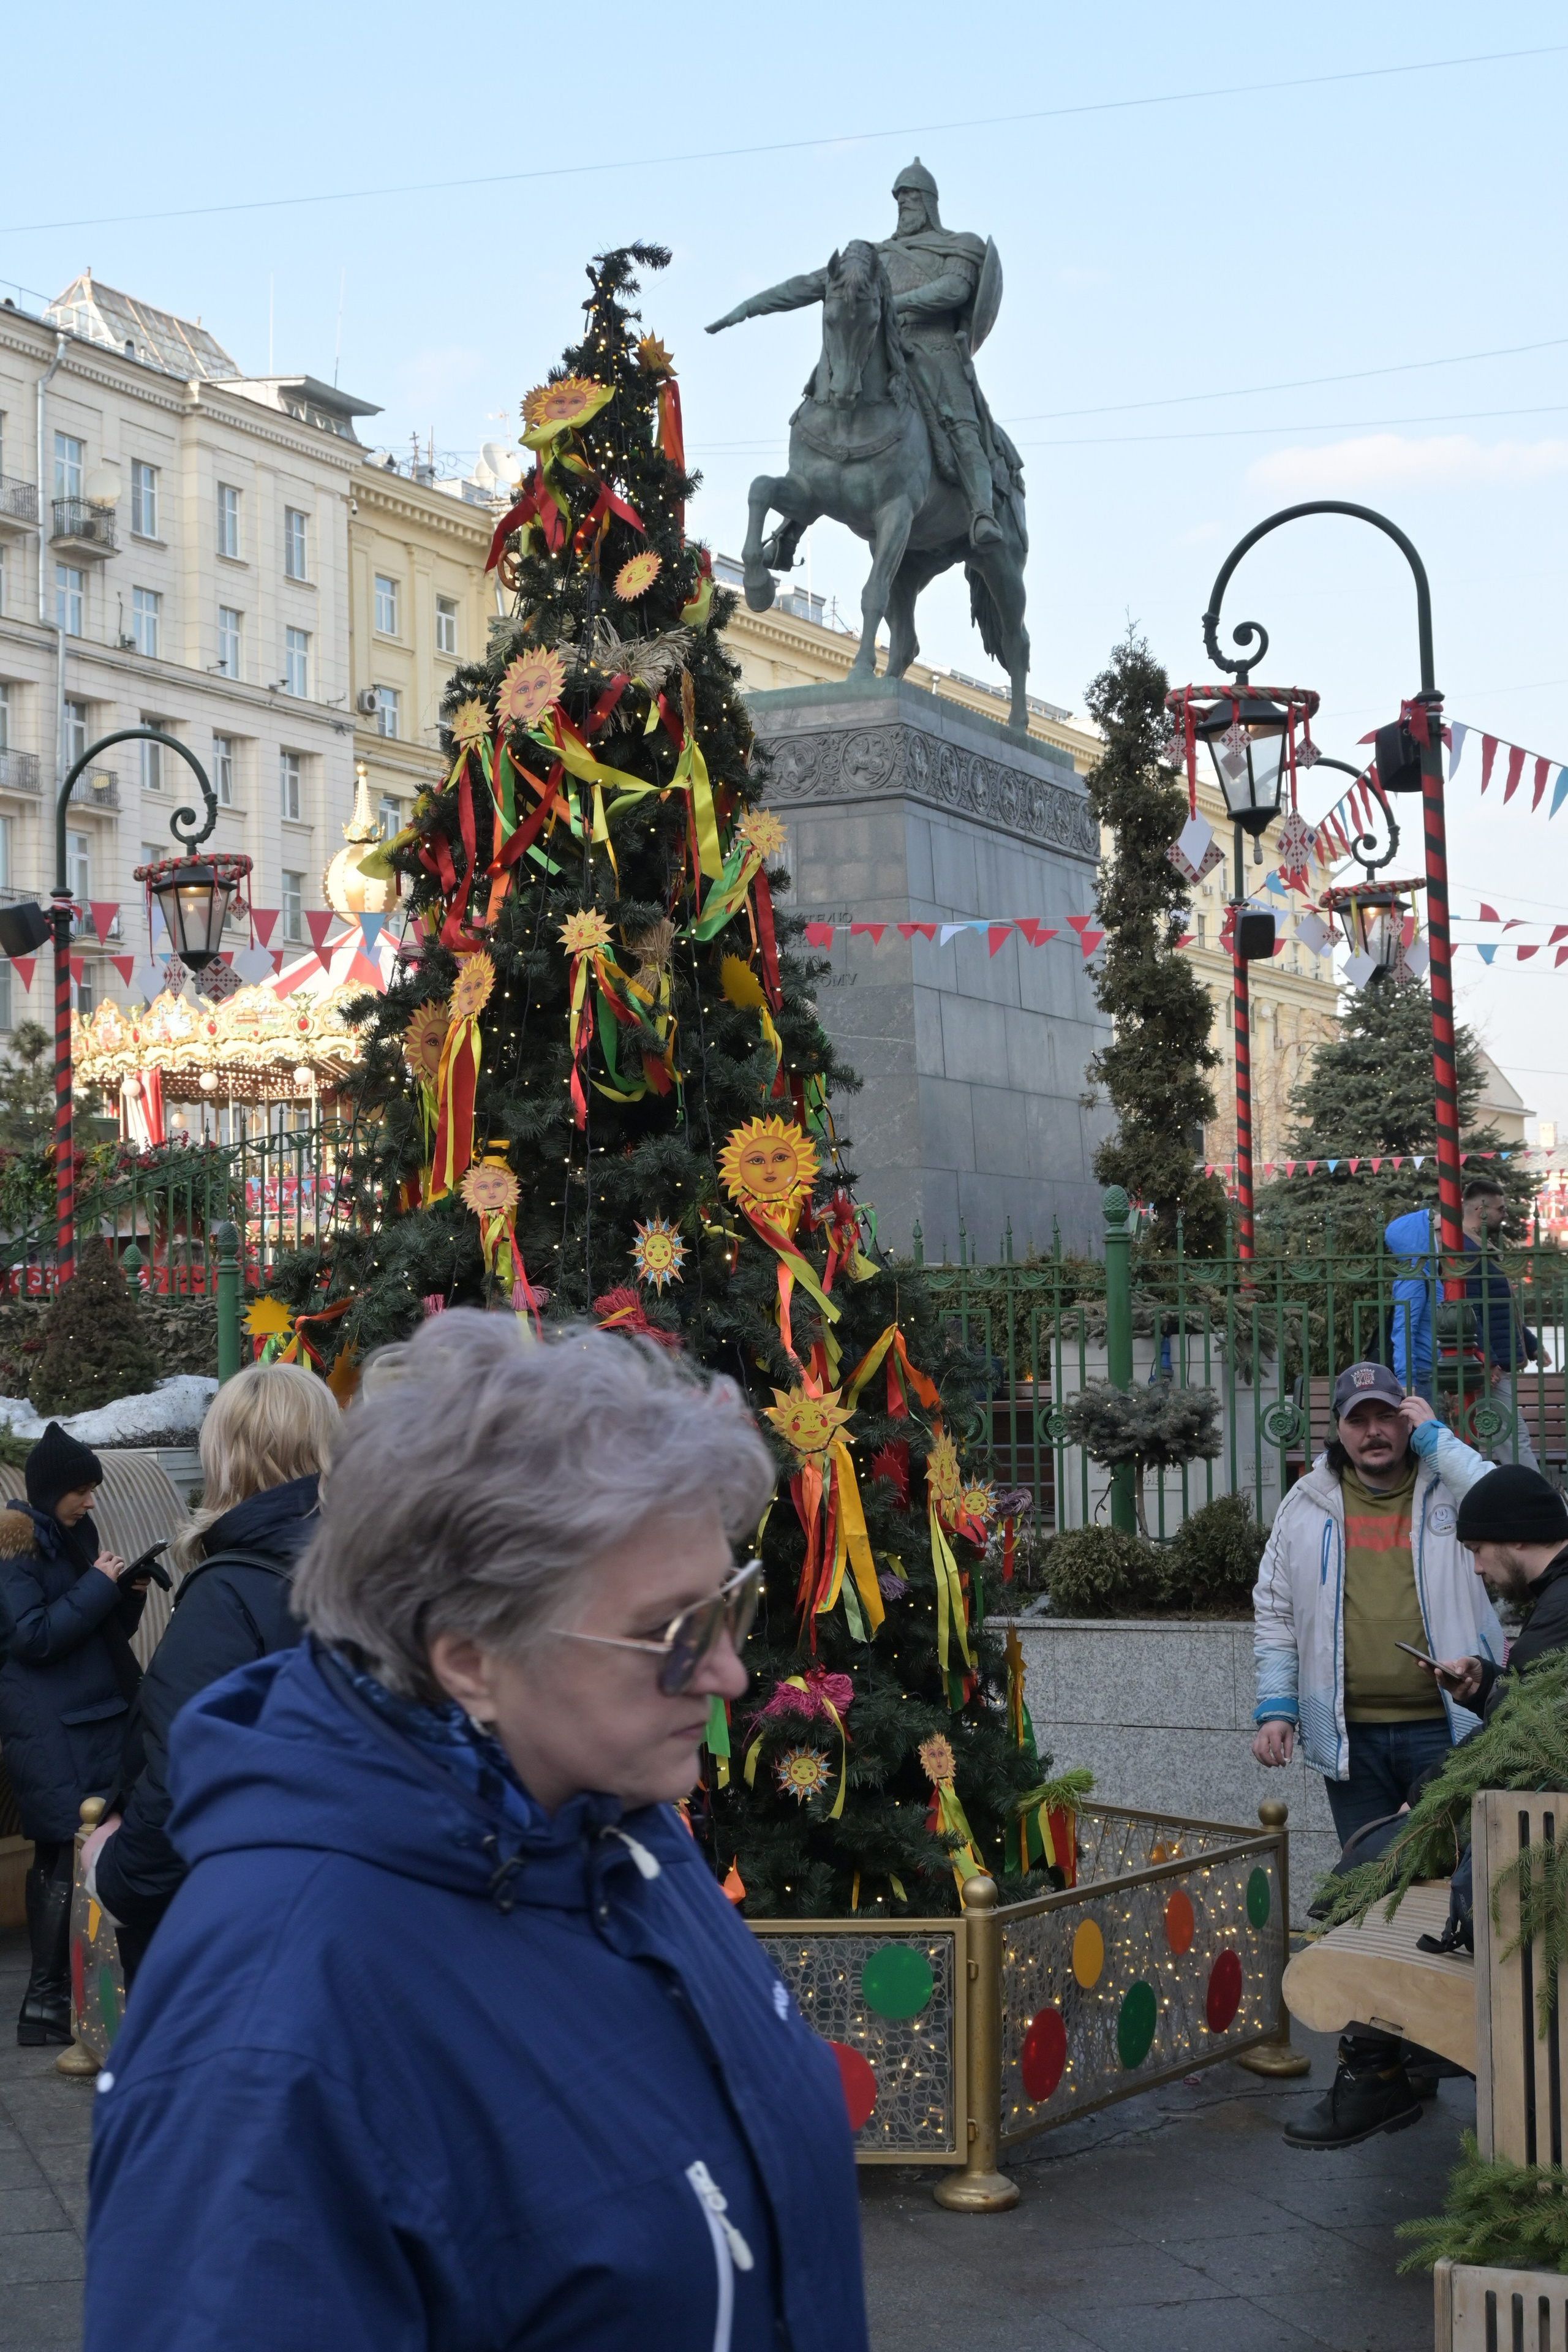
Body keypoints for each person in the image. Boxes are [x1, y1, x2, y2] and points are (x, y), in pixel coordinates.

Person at [85, 1317, 867, 2352]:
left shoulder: (612, 1822)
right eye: (669, 1632)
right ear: (467, 1661)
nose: (727, 1675)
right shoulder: (273, 2027)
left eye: (731, 1607)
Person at [1251, 1362, 1503, 2147]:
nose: (1373, 1433)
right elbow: (1276, 1609)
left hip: (1451, 1732)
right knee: (1371, 1895)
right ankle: (1380, 2070)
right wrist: (1276, 1705)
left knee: (1448, 1895)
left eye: (1386, 1417)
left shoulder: (1447, 1485)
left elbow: (1512, 1503)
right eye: (1358, 1419)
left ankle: (1421, 2052)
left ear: (1406, 1419)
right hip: (1352, 1738)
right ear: (1336, 1429)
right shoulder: (1307, 1503)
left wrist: (1440, 1439)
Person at [84, 1362, 338, 1986]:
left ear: (224, 1458)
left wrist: (113, 1874)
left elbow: (184, 1774)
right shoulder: (374, 1570)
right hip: (339, 1918)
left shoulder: (230, 1591)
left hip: (241, 1942)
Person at [0, 1424, 145, 2044]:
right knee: (61, 1850)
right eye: (80, 1491)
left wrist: (126, 1592)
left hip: (89, 1714)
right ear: (52, 1490)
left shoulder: (74, 1536)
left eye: (93, 1490)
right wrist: (97, 1587)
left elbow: (92, 1627)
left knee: (79, 1849)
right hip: (47, 1722)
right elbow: (31, 1638)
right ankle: (44, 2003)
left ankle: (74, 1996)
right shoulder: (18, 1548)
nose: (90, 1502)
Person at [1386, 1176, 1539, 1466]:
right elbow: (1406, 1329)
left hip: (1448, 1366)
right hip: (1429, 1371)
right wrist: (1407, 1381)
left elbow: (1465, 1317)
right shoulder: (1416, 1276)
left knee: (1460, 1443)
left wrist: (1484, 1355)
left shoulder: (1437, 1272)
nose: (1448, 1233)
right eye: (1440, 1228)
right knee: (1442, 1448)